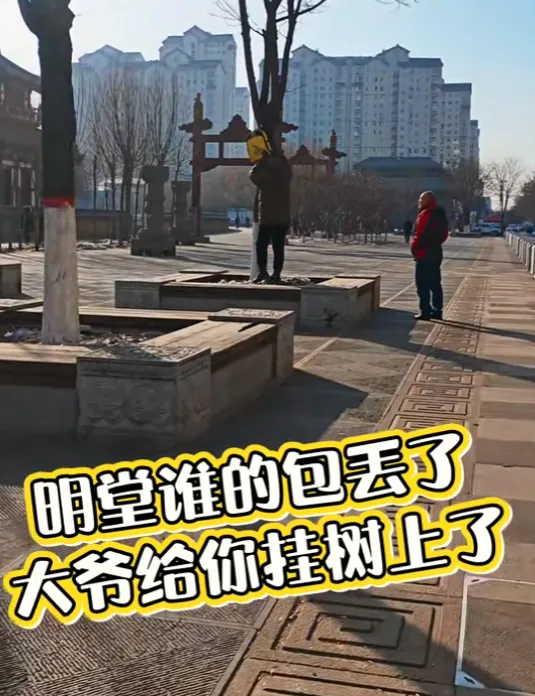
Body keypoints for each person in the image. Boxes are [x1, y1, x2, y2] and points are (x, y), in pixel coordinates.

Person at [247, 131, 292, 284]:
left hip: (267, 216)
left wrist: (262, 162)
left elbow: (253, 176)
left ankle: (264, 273)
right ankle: (275, 274)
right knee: (277, 247)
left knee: (261, 246)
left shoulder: (264, 171)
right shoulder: (284, 167)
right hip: (281, 216)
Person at [410, 191, 449, 321]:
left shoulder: (426, 214)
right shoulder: (440, 214)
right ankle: (437, 310)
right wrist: (435, 244)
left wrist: (414, 247)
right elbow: (444, 234)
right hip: (436, 252)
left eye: (421, 199)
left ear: (428, 200)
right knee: (435, 283)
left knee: (422, 283)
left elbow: (419, 233)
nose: (419, 201)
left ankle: (425, 311)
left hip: (423, 253)